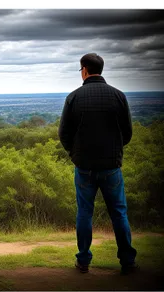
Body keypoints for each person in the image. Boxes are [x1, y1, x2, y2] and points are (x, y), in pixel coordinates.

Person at [58, 53, 138, 275]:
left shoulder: (74, 97)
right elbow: (127, 133)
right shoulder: (118, 96)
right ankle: (128, 262)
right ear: (100, 70)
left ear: (84, 70)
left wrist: (75, 154)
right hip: (112, 167)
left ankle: (83, 261)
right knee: (119, 213)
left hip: (84, 167)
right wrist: (115, 153)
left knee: (84, 212)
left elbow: (63, 133)